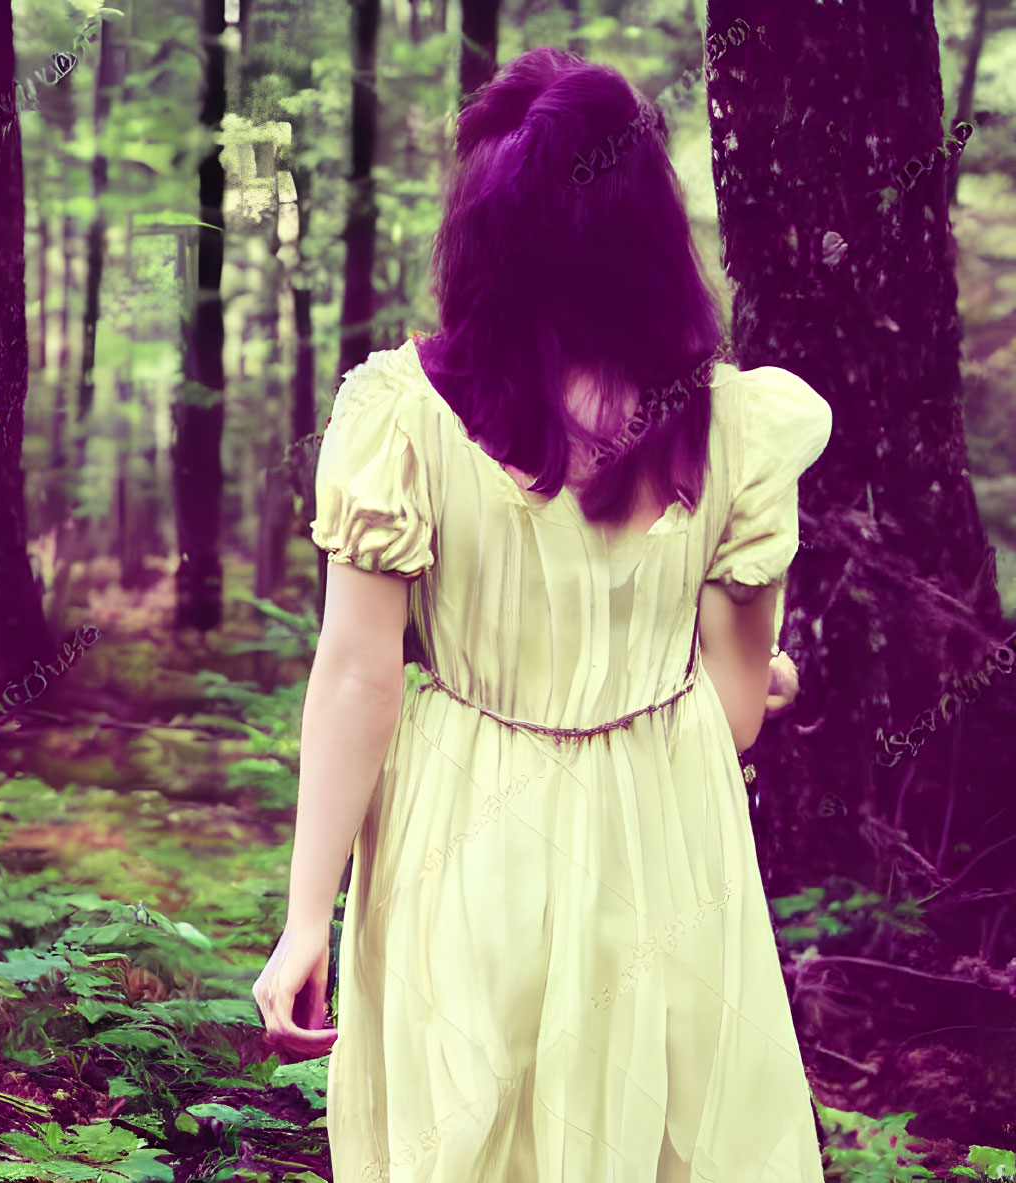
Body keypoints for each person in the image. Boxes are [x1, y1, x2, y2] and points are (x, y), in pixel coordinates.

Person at [251, 45, 831, 1182]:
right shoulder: (732, 427)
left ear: (482, 223)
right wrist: (771, 680)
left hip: (457, 828)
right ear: (646, 226)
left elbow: (358, 677)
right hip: (658, 832)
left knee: (461, 1133)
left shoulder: (399, 412)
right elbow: (730, 714)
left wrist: (303, 918)